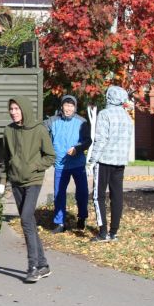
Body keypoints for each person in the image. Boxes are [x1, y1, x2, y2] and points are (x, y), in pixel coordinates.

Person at [0, 96, 56, 283]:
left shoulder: (39, 130)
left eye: (16, 108)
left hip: (33, 180)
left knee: (25, 219)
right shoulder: (8, 130)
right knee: (29, 221)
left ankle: (32, 267)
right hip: (16, 181)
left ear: (24, 109)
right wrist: (2, 182)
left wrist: (33, 166)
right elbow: (6, 159)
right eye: (11, 109)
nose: (13, 112)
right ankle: (43, 265)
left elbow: (50, 156)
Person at [87, 85, 133, 242]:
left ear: (109, 98)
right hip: (120, 162)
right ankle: (114, 232)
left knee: (98, 196)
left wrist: (92, 161)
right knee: (117, 196)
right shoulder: (127, 117)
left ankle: (102, 232)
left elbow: (100, 139)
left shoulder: (105, 114)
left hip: (104, 160)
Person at [43, 95, 92, 233]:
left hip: (77, 164)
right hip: (60, 164)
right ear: (62, 106)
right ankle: (60, 223)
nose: (68, 108)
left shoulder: (81, 121)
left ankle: (82, 217)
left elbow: (88, 140)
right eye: (66, 105)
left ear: (75, 108)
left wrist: (77, 148)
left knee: (82, 193)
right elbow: (40, 132)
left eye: (71, 105)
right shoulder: (53, 121)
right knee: (59, 194)